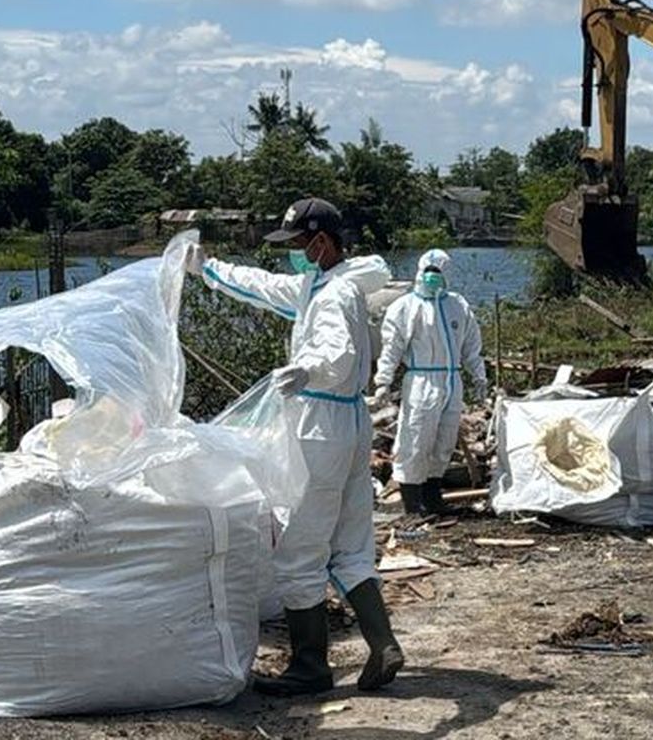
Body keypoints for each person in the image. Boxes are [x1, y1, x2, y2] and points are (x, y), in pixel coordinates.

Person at [185, 197, 403, 696]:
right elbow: (264, 286)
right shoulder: (324, 283)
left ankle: (310, 665)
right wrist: (207, 269)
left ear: (321, 243)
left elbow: (337, 352)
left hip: (320, 424)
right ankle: (383, 641)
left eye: (298, 245)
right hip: (349, 423)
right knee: (349, 543)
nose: (293, 255)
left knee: (299, 549)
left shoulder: (332, 297)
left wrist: (308, 370)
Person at [373, 249, 487, 515]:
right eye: (429, 271)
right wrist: (383, 380)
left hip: (452, 380)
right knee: (415, 439)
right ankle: (413, 503)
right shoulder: (405, 307)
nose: (433, 277)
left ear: (448, 274)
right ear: (420, 271)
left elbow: (471, 345)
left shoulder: (457, 305)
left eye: (438, 272)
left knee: (443, 440)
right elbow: (392, 347)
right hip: (421, 380)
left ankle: (433, 498)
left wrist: (479, 376)